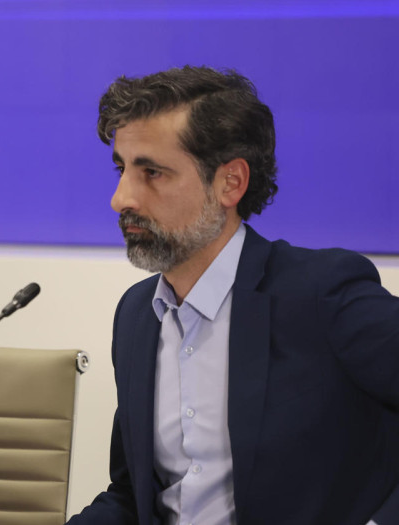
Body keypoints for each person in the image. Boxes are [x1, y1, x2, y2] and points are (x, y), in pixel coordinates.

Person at [68, 66, 399, 524]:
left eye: (152, 172)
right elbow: (132, 495)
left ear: (230, 183)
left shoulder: (321, 292)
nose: (121, 198)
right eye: (122, 169)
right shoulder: (137, 315)